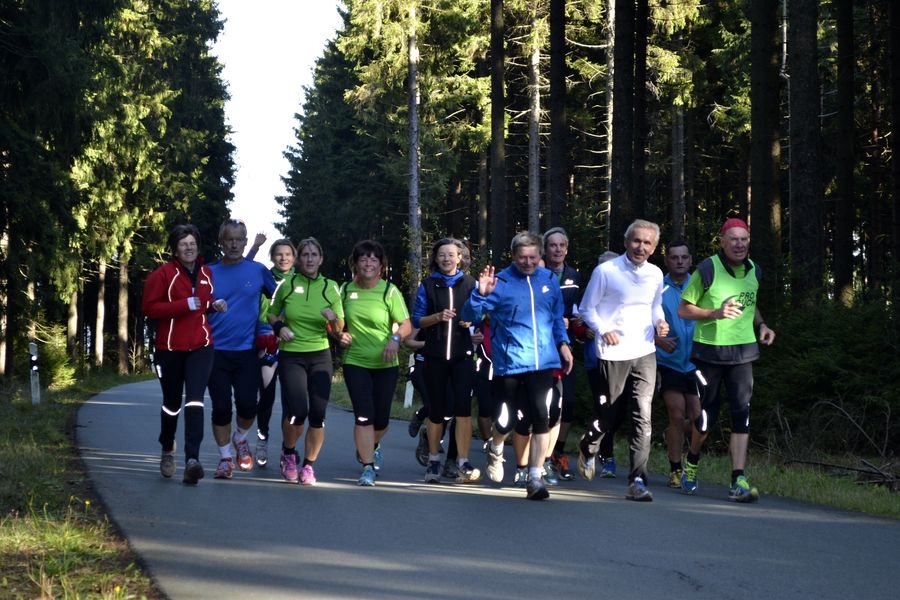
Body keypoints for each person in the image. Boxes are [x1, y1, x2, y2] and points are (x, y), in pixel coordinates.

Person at [462, 231, 573, 501]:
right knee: (506, 419)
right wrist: (479, 294)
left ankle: (535, 477)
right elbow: (469, 316)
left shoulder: (549, 279)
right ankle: (496, 446)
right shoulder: (500, 282)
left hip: (543, 361)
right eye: (522, 257)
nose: (528, 262)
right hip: (510, 361)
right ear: (513, 256)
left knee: (541, 416)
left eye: (533, 257)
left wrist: (563, 344)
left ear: (540, 255)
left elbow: (556, 317)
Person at [677, 217, 776, 502]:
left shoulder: (754, 269)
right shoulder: (708, 269)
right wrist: (714, 313)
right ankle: (692, 461)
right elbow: (684, 310)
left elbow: (750, 303)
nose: (739, 244)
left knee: (741, 413)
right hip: (709, 353)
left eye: (743, 239)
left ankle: (738, 479)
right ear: (722, 242)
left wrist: (762, 325)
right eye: (733, 239)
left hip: (743, 353)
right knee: (705, 419)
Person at [576, 219, 668, 502]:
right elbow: (586, 308)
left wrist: (660, 322)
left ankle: (637, 479)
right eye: (636, 241)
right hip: (613, 352)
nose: (641, 247)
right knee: (609, 415)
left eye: (647, 243)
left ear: (654, 247)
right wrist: (604, 330)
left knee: (643, 415)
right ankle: (589, 445)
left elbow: (655, 306)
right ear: (626, 242)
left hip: (645, 351)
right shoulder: (606, 271)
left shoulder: (655, 273)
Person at [142, 224, 215, 485]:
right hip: (170, 349)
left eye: (192, 243)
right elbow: (149, 308)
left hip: (201, 347)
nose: (189, 248)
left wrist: (214, 305)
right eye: (183, 244)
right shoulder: (162, 274)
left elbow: (203, 303)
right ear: (175, 249)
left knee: (195, 401)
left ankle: (192, 460)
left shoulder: (206, 273)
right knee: (171, 405)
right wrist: (184, 305)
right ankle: (167, 449)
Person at [267, 237, 344, 485]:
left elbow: (339, 329)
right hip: (292, 354)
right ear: (298, 259)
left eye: (314, 255)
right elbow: (271, 313)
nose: (309, 259)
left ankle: (309, 465)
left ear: (321, 259)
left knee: (318, 414)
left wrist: (333, 319)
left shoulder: (331, 287)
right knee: (297, 411)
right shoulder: (287, 284)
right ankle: (289, 453)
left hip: (320, 354)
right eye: (305, 255)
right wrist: (279, 327)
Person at [336, 240, 412, 487]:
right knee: (363, 415)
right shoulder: (344, 290)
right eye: (363, 258)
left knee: (381, 420)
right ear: (355, 264)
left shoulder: (389, 291)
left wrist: (395, 339)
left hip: (385, 363)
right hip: (355, 361)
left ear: (381, 265)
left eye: (373, 259)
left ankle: (371, 444)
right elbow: (335, 324)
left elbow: (406, 324)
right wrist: (339, 334)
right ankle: (368, 466)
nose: (368, 263)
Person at [207, 219, 278, 479]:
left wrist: (276, 329)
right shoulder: (208, 272)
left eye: (239, 239)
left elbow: (280, 300)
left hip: (247, 351)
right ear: (221, 242)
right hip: (215, 351)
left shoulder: (258, 271)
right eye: (229, 239)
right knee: (221, 407)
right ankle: (225, 458)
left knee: (248, 406)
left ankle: (240, 437)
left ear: (246, 242)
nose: (234, 244)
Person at [412, 238, 481, 484]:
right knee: (437, 410)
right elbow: (417, 319)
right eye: (442, 255)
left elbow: (480, 313)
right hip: (435, 355)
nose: (446, 259)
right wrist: (438, 317)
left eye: (451, 255)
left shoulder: (471, 283)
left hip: (462, 355)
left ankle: (462, 461)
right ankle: (433, 459)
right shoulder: (428, 284)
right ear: (436, 258)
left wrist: (471, 321)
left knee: (463, 408)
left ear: (460, 258)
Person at [654, 240, 701, 488]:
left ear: (690, 260)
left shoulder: (701, 285)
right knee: (676, 414)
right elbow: (642, 321)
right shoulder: (657, 287)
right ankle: (675, 469)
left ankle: (673, 434)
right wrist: (658, 341)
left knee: (700, 419)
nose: (680, 261)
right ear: (667, 260)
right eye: (674, 257)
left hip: (697, 362)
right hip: (669, 362)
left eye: (684, 257)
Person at [572, 251, 620, 479]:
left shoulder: (626, 294)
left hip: (625, 360)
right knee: (605, 410)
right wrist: (585, 331)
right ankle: (605, 457)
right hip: (596, 362)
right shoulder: (589, 294)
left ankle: (590, 439)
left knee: (619, 412)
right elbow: (577, 323)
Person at [541, 227, 582, 482]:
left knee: (568, 403)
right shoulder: (537, 273)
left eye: (561, 245)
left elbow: (582, 309)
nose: (557, 250)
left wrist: (575, 321)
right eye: (553, 245)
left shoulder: (574, 275)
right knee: (543, 403)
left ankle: (558, 451)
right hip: (540, 347)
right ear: (545, 249)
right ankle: (538, 456)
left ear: (566, 249)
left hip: (565, 347)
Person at [254, 239, 296, 468]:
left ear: (294, 257)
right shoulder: (263, 277)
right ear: (272, 257)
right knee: (267, 396)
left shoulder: (301, 279)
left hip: (292, 342)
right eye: (279, 254)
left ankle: (287, 448)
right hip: (267, 339)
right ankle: (262, 438)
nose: (283, 258)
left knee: (291, 400)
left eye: (288, 254)